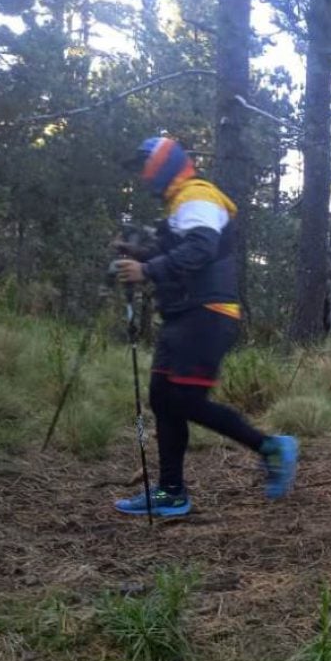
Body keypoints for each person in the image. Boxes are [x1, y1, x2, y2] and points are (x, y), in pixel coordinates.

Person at [111, 137, 299, 516]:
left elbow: (200, 250)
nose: (142, 175)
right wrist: (140, 255)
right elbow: (180, 252)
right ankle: (171, 493)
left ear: (163, 163)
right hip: (185, 315)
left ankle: (271, 448)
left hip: (208, 314)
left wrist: (146, 269)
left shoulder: (198, 195)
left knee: (186, 399)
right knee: (163, 397)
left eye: (145, 165)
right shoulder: (180, 204)